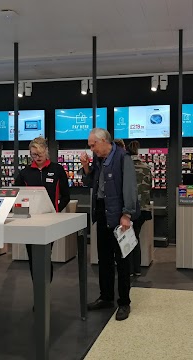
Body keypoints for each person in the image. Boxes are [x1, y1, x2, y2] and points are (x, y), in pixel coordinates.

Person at [80, 128, 138, 321]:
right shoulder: (98, 160)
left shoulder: (122, 157)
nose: (91, 149)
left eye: (92, 145)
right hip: (102, 213)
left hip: (118, 215)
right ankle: (106, 297)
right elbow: (90, 183)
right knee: (103, 259)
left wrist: (126, 214)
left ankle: (124, 302)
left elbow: (130, 187)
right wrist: (86, 167)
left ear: (104, 140)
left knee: (121, 260)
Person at [14, 137, 70, 284]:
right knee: (32, 257)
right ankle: (38, 289)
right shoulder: (25, 173)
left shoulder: (57, 170)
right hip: (29, 222)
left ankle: (45, 288)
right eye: (33, 155)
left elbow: (66, 196)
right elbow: (15, 194)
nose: (37, 157)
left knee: (45, 256)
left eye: (39, 154)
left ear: (46, 151)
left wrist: (56, 211)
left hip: (50, 222)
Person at [127, 140, 152, 276]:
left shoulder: (125, 167)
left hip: (130, 209)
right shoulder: (146, 167)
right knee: (135, 236)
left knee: (129, 238)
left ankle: (130, 269)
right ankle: (136, 268)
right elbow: (149, 187)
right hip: (143, 209)